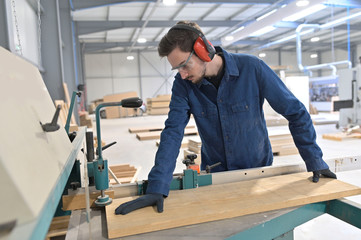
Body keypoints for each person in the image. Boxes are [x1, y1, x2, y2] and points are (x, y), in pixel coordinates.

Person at [115, 21, 336, 215]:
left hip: (259, 174)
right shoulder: (183, 85)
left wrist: (314, 160)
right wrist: (157, 187)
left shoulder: (253, 69)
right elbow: (173, 131)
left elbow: (295, 112)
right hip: (215, 176)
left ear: (204, 51)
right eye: (176, 68)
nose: (181, 74)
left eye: (184, 65)